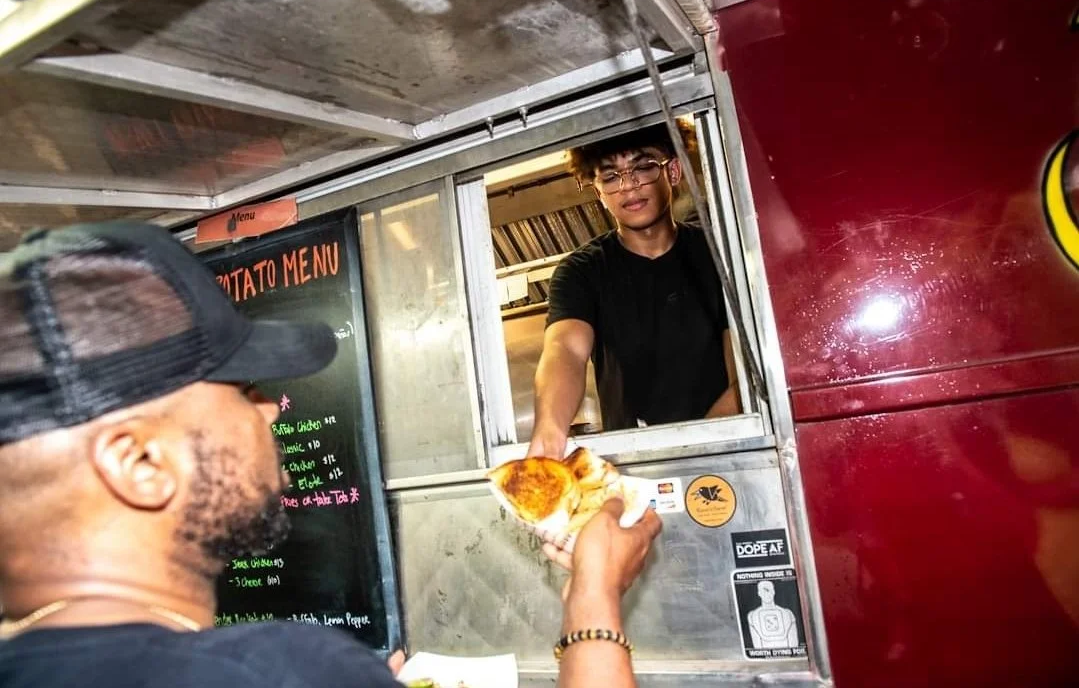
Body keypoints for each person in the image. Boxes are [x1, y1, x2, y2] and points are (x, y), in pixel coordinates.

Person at [0, 222, 661, 688]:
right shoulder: (281, 671)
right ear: (140, 464)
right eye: (243, 388)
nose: (268, 409)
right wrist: (593, 598)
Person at [529, 122, 741, 459]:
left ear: (672, 171)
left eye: (643, 167)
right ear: (598, 191)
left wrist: (697, 448)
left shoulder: (720, 254)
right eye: (611, 176)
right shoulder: (582, 271)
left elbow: (744, 371)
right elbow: (565, 349)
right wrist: (550, 428)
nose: (628, 186)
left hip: (728, 449)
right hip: (633, 465)